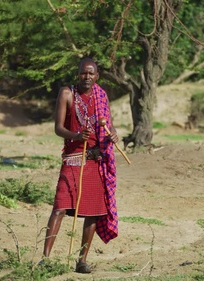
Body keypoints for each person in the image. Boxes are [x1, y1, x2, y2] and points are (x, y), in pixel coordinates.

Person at [42, 58, 119, 274]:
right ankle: (45, 259)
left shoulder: (101, 95)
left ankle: (81, 260)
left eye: (91, 73)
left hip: (96, 159)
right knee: (59, 208)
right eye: (83, 73)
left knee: (93, 213)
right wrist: (77, 135)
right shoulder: (67, 93)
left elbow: (109, 125)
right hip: (73, 158)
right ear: (78, 74)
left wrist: (114, 134)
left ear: (97, 76)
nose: (87, 77)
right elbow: (58, 128)